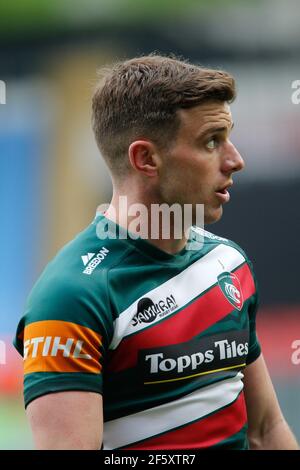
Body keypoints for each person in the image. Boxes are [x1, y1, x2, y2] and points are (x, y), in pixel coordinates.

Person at [14, 54, 298, 450]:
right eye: (211, 142)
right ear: (146, 159)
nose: (235, 160)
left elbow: (266, 431)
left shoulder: (229, 263)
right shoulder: (72, 295)